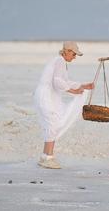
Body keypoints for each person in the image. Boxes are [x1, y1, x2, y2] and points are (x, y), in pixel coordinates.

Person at [34, 41, 94, 169]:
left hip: (48, 94)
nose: (74, 57)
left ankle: (45, 156)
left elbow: (65, 81)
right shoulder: (60, 61)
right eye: (73, 54)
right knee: (52, 123)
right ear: (67, 51)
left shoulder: (59, 61)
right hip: (47, 95)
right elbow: (57, 82)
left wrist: (82, 86)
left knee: (52, 123)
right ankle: (48, 158)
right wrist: (74, 91)